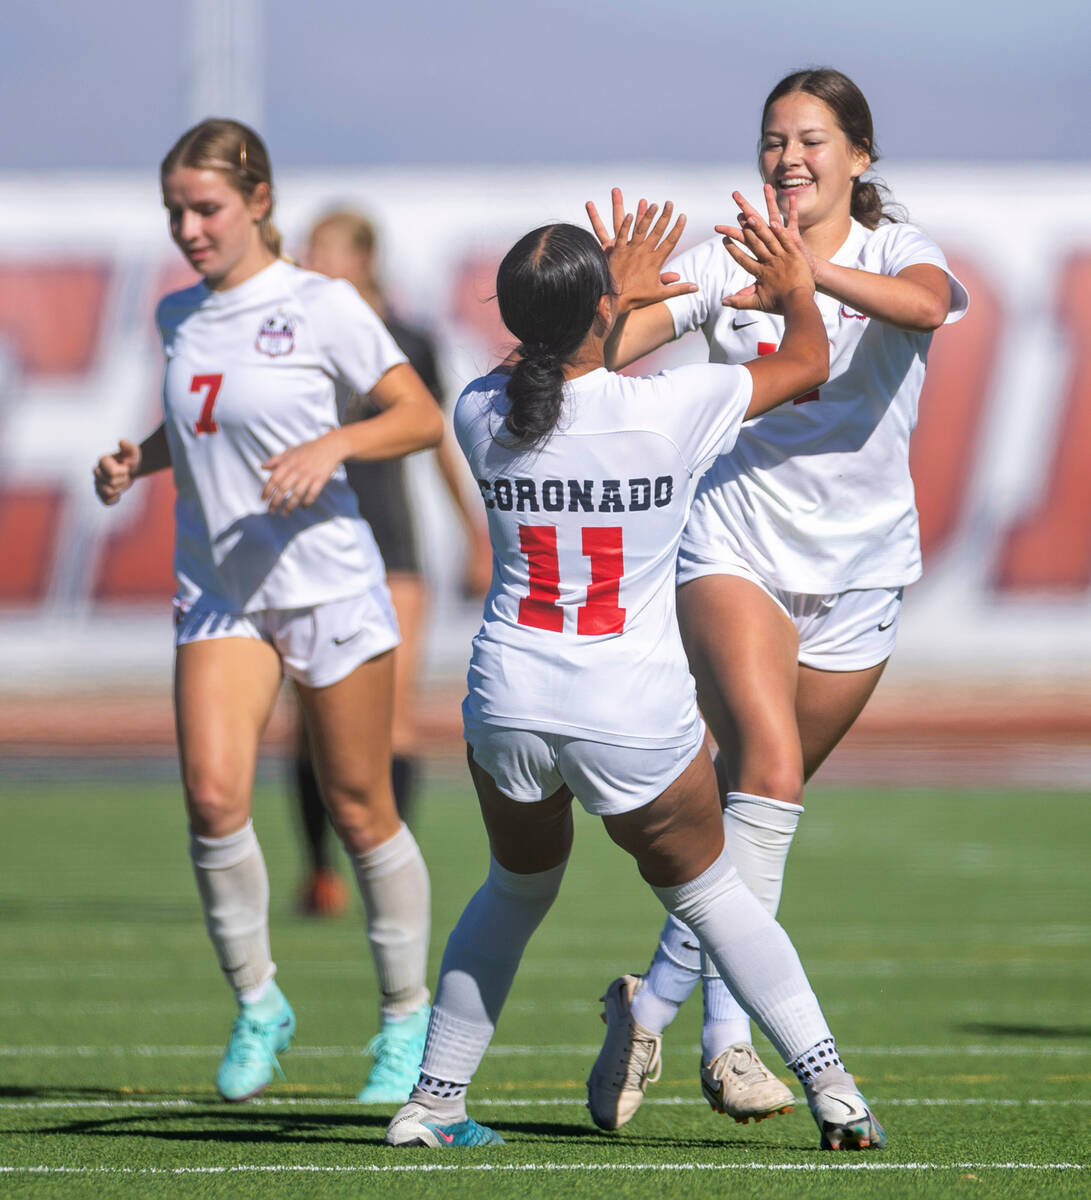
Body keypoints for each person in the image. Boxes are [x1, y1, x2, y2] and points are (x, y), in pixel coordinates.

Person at [384, 202, 886, 1152]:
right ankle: (834, 1092)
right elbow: (807, 364)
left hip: (510, 706)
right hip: (630, 710)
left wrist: (603, 301)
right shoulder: (669, 409)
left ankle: (434, 1103)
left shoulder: (479, 410)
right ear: (603, 308)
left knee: (512, 892)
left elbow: (544, 377)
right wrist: (792, 294)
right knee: (715, 901)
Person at [584, 67, 969, 1128]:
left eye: (809, 141)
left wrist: (806, 283)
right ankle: (730, 1042)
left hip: (861, 571)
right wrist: (626, 300)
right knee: (768, 764)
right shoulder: (724, 258)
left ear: (856, 156)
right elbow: (604, 364)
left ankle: (650, 1002)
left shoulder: (896, 251)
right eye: (772, 141)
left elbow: (927, 309)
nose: (787, 159)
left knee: (752, 816)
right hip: (730, 544)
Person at [92, 118, 445, 1106]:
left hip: (327, 580)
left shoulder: (323, 305)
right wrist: (141, 458)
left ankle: (404, 1017)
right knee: (212, 799)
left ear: (257, 200)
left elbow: (415, 414)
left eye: (203, 208)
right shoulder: (177, 316)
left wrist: (332, 449)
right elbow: (204, 417)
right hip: (221, 588)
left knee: (359, 806)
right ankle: (259, 1004)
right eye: (174, 211)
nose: (187, 229)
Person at [291, 210, 491, 920]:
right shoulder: (289, 335)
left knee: (396, 717)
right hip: (307, 543)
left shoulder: (407, 340)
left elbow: (434, 435)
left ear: (364, 260)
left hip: (392, 546)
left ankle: (387, 870)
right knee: (310, 718)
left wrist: (474, 534)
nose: (308, 258)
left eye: (323, 249)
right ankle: (319, 871)